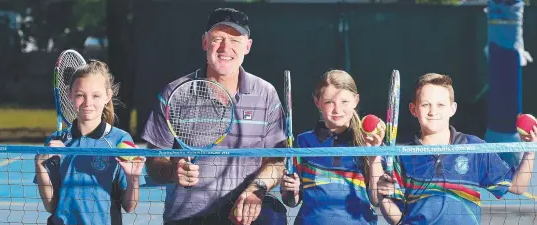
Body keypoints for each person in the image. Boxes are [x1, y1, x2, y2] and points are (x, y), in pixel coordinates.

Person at [142, 8, 288, 225]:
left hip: (241, 214)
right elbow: (154, 162)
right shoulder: (173, 94)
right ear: (204, 42)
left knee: (273, 215)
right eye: (218, 38)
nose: (225, 47)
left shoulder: (266, 94)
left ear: (247, 46)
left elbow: (277, 161)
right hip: (187, 218)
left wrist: (256, 190)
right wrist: (173, 171)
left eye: (235, 40)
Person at [377, 73, 536, 225]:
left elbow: (517, 186)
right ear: (413, 109)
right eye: (426, 104)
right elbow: (397, 219)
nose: (433, 111)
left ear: (452, 108)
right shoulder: (403, 157)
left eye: (440, 104)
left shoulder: (474, 149)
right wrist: (383, 196)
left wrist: (530, 149)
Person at [34, 60, 146, 225]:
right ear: (69, 94)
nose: (88, 103)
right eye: (80, 95)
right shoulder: (55, 143)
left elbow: (130, 206)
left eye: (96, 95)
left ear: (107, 96)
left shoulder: (120, 141)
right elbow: (51, 206)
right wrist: (40, 164)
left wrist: (133, 178)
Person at [280, 69, 385, 225]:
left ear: (356, 101)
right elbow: (292, 201)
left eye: (344, 102)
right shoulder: (304, 142)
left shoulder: (369, 142)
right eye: (330, 102)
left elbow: (377, 200)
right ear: (317, 102)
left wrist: (374, 154)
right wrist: (291, 190)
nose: (337, 110)